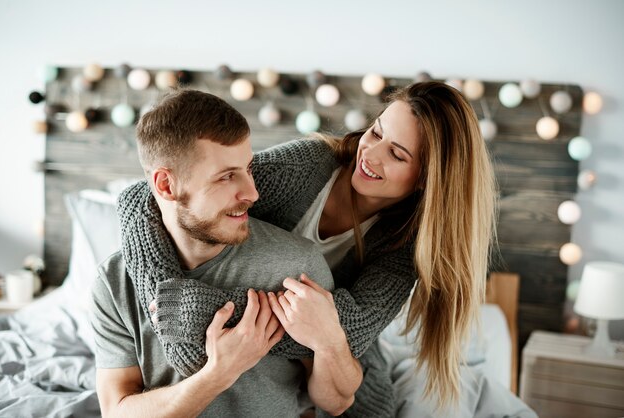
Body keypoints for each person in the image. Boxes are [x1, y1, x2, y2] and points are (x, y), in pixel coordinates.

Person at [119, 81, 497, 414]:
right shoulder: (307, 167)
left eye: (398, 154)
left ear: (428, 181)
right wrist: (165, 300)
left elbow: (345, 330)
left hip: (338, 367)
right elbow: (140, 197)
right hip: (267, 356)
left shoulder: (406, 246)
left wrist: (202, 312)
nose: (371, 154)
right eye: (376, 132)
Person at [91, 89, 362, 417]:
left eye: (248, 168)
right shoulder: (114, 281)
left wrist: (330, 341)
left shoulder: (295, 267)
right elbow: (116, 411)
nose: (252, 192)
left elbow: (335, 403)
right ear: (165, 186)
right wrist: (218, 374)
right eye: (226, 176)